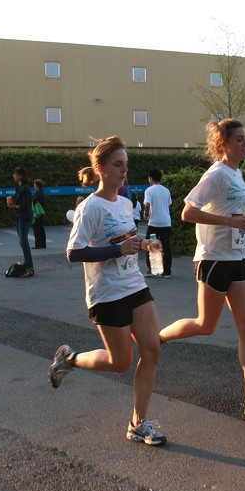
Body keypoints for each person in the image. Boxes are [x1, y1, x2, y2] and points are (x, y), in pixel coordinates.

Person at [159, 119, 245, 417]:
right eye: (239, 139)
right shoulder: (216, 174)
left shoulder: (237, 175)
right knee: (206, 325)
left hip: (236, 257)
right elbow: (188, 212)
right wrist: (231, 221)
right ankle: (157, 338)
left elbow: (231, 211)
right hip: (213, 259)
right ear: (223, 144)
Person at [48, 135, 166, 446]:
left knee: (152, 349)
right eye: (117, 165)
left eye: (126, 165)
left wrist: (143, 244)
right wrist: (115, 251)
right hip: (106, 293)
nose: (124, 171)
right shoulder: (90, 207)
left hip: (134, 284)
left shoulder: (126, 202)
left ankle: (138, 424)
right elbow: (74, 253)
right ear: (100, 168)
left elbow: (124, 240)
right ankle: (69, 359)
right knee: (121, 362)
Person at [143, 168, 173, 277]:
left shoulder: (149, 190)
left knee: (150, 245)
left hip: (154, 222)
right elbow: (168, 204)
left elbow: (147, 204)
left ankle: (152, 270)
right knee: (166, 246)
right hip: (166, 222)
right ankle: (167, 271)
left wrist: (146, 215)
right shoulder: (166, 190)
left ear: (150, 178)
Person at [7, 167, 34, 277]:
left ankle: (29, 266)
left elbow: (25, 205)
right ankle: (27, 264)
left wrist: (14, 206)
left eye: (15, 174)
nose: (13, 175)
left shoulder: (25, 189)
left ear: (20, 176)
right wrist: (13, 204)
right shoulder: (18, 188)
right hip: (19, 216)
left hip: (24, 216)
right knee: (22, 241)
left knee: (23, 241)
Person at [31, 179, 47, 249]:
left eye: (34, 185)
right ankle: (43, 244)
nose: (34, 186)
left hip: (37, 213)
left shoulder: (37, 193)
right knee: (41, 228)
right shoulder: (42, 193)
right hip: (42, 212)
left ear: (37, 186)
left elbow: (33, 202)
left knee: (36, 229)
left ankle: (38, 244)